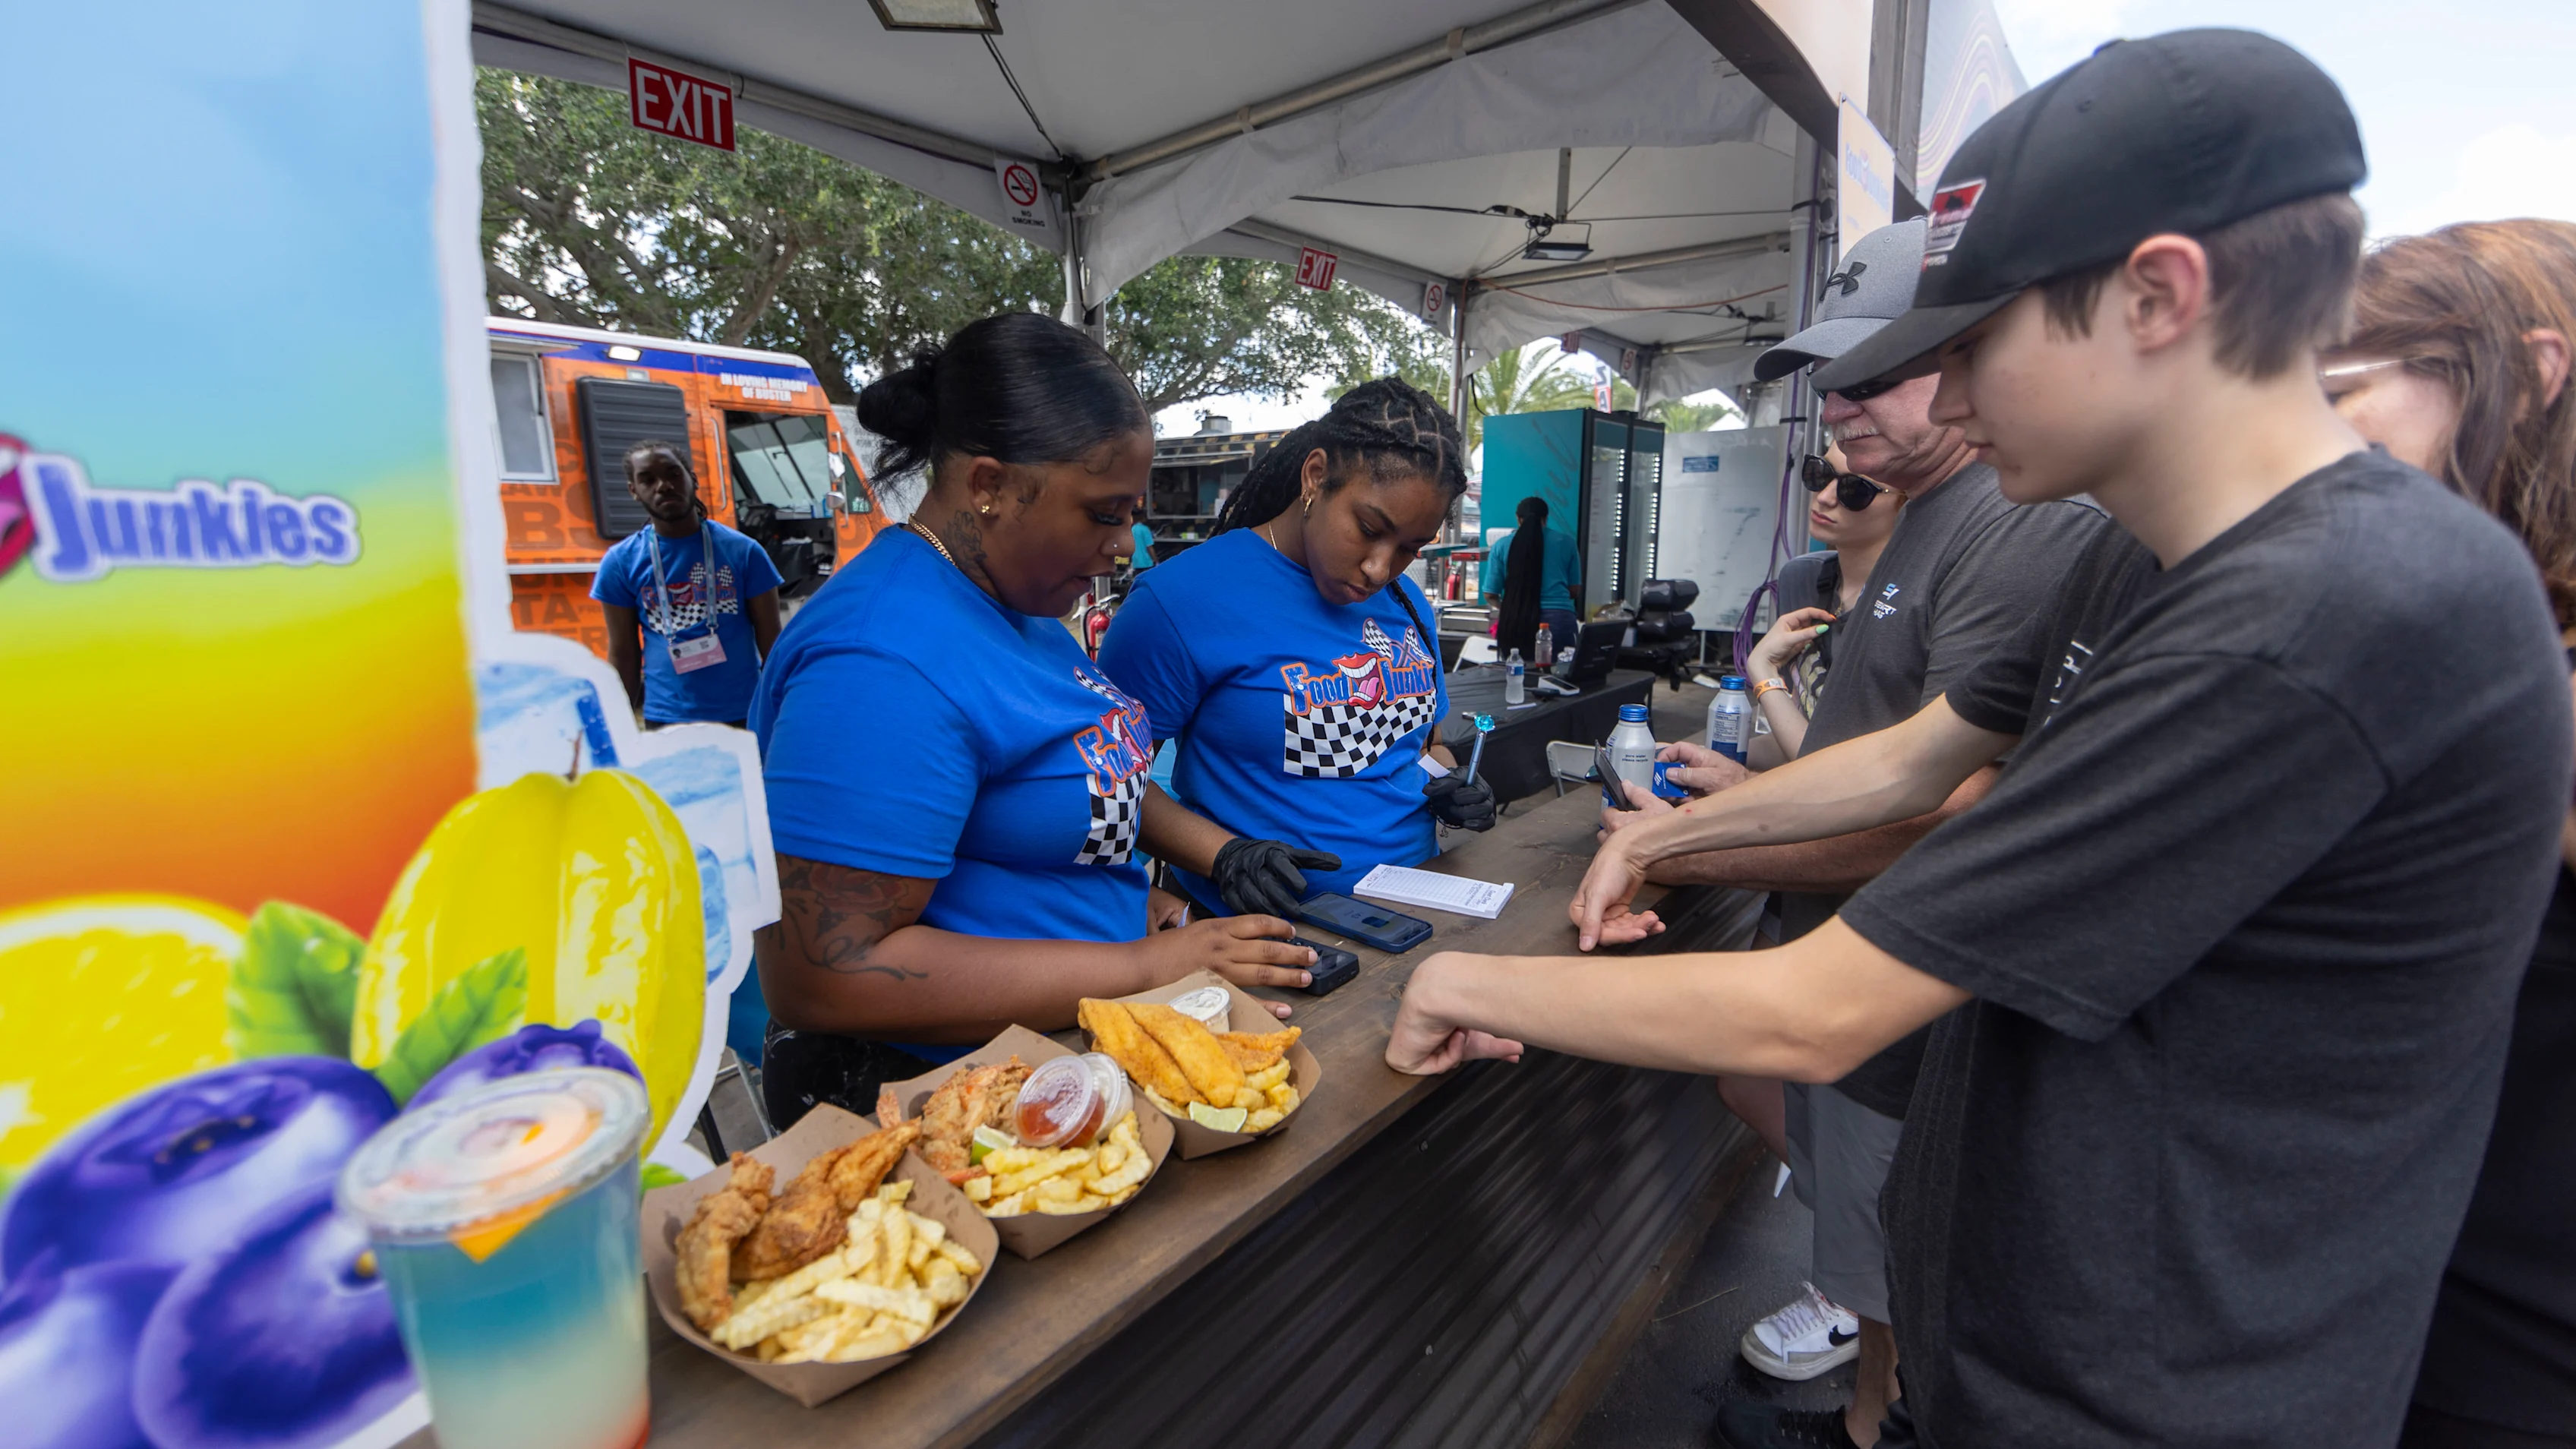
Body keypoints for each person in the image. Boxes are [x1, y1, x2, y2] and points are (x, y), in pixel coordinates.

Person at [1387, 31, 2574, 1449]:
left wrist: (1469, 980)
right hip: (2015, 1327)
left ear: (2154, 294)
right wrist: (1666, 827)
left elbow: (1814, 1008)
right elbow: (1911, 754)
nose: (1944, 405)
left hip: (2163, 1392)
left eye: (1975, 346)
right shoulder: (2147, 549)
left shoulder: (2338, 605)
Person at [1652, 216, 2108, 1449]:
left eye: (1878, 374)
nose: (1836, 413)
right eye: (1828, 380)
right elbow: (1898, 759)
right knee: (1881, 1258)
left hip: (1905, 998)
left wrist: (1686, 847)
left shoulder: (2019, 527)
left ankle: (1870, 1420)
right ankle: (1869, 1406)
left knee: (1904, 1269)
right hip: (1865, 986)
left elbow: (1936, 810)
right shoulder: (1929, 515)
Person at [748, 313, 1326, 1128]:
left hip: (1060, 1048)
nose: (1125, 544)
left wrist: (1129, 900)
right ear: (988, 485)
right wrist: (1138, 963)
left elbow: (1064, 778)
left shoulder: (1014, 601)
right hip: (930, 1097)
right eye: (1102, 512)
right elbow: (825, 973)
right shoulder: (881, 657)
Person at [2323, 219, 2576, 1449]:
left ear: (2527, 373)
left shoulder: (2527, 665)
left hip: (2514, 1343)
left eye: (2349, 390)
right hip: (2406, 1282)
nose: (2323, 440)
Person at [1097, 380, 1492, 917]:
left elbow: (1423, 747)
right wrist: (1224, 855)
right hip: (1269, 932)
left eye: (1409, 547)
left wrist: (1443, 783)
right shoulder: (1183, 601)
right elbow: (1103, 781)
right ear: (1315, 477)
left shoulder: (1406, 605)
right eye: (1369, 528)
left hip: (1420, 901)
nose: (1381, 568)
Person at [592, 439, 784, 728]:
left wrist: (781, 710)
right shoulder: (620, 562)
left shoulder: (744, 553)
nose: (664, 486)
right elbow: (623, 653)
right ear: (633, 491)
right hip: (667, 720)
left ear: (692, 479)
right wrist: (615, 727)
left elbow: (772, 642)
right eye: (648, 480)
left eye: (673, 474)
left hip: (746, 714)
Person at [1742, 444, 1902, 768]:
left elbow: (1830, 768)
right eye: (1820, 473)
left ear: (1906, 504)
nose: (1825, 497)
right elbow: (1801, 732)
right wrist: (1712, 754)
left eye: (1855, 489)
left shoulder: (1908, 600)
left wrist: (1763, 672)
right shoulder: (1803, 577)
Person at [1481, 494, 1580, 662]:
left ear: (1518, 519)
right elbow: (1574, 591)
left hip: (1516, 621)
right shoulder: (1566, 543)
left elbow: (1490, 594)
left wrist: (1512, 605)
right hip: (1559, 622)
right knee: (1560, 679)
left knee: (1516, 675)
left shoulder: (1502, 546)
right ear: (1546, 518)